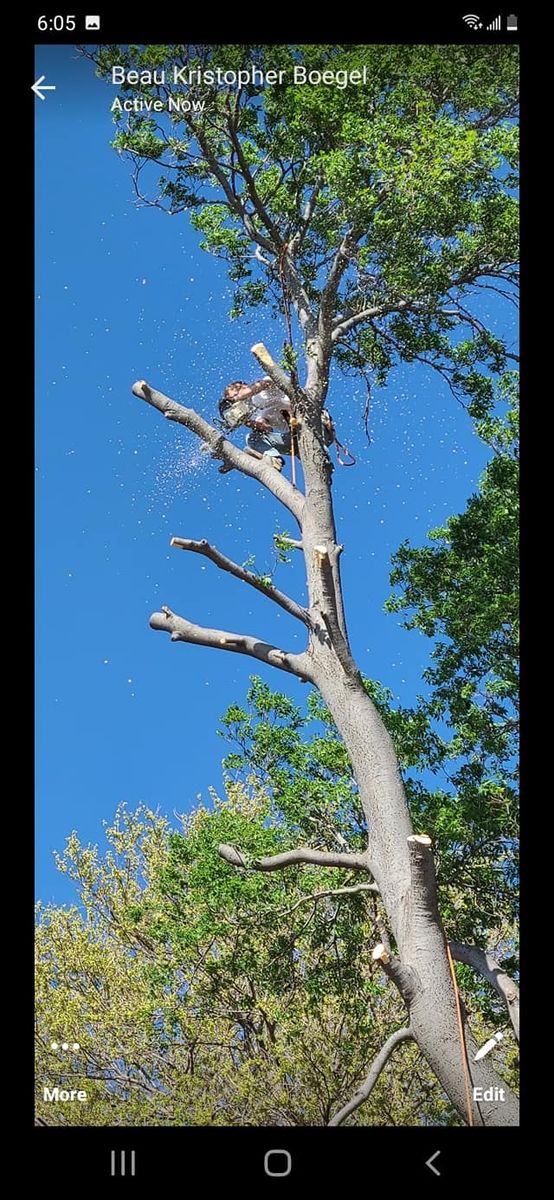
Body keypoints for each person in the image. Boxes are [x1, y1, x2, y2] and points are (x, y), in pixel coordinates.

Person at [216, 377, 335, 474]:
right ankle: (274, 459)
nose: (236, 402)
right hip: (295, 440)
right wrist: (244, 421)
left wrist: (237, 398)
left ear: (242, 387)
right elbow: (266, 428)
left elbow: (267, 383)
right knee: (252, 438)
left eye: (234, 396)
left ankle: (323, 457)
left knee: (292, 417)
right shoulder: (256, 412)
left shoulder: (263, 391)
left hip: (313, 427)